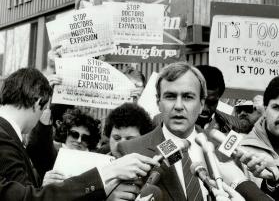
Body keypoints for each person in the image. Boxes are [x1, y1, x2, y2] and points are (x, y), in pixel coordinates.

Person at [0, 67, 160, 201]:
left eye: (130, 139)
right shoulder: (4, 139)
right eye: (117, 137)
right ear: (37, 103)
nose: (122, 144)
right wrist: (106, 179)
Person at [117, 62, 234, 201]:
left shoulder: (222, 147)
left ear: (201, 103)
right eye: (170, 96)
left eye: (188, 97)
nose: (178, 106)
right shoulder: (131, 150)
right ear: (158, 102)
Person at [153, 65, 242, 134]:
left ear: (219, 97)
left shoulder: (234, 126)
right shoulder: (161, 122)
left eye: (211, 102)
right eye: (200, 100)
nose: (204, 109)